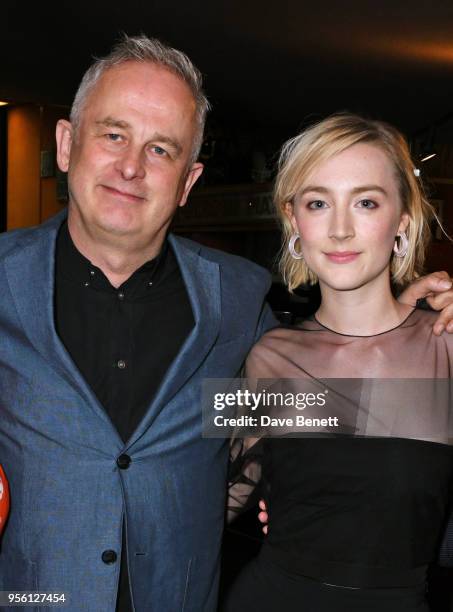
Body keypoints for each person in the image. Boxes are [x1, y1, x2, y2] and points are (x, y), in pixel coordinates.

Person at [0, 38, 450, 612]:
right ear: (66, 145)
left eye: (161, 149)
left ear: (189, 181)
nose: (132, 166)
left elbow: (342, 420)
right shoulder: (4, 284)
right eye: (113, 135)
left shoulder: (239, 305)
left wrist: (410, 329)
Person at [223, 113, 453, 612]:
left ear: (402, 223)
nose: (341, 228)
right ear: (295, 223)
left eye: (366, 202)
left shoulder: (444, 347)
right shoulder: (269, 355)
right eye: (318, 203)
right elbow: (214, 496)